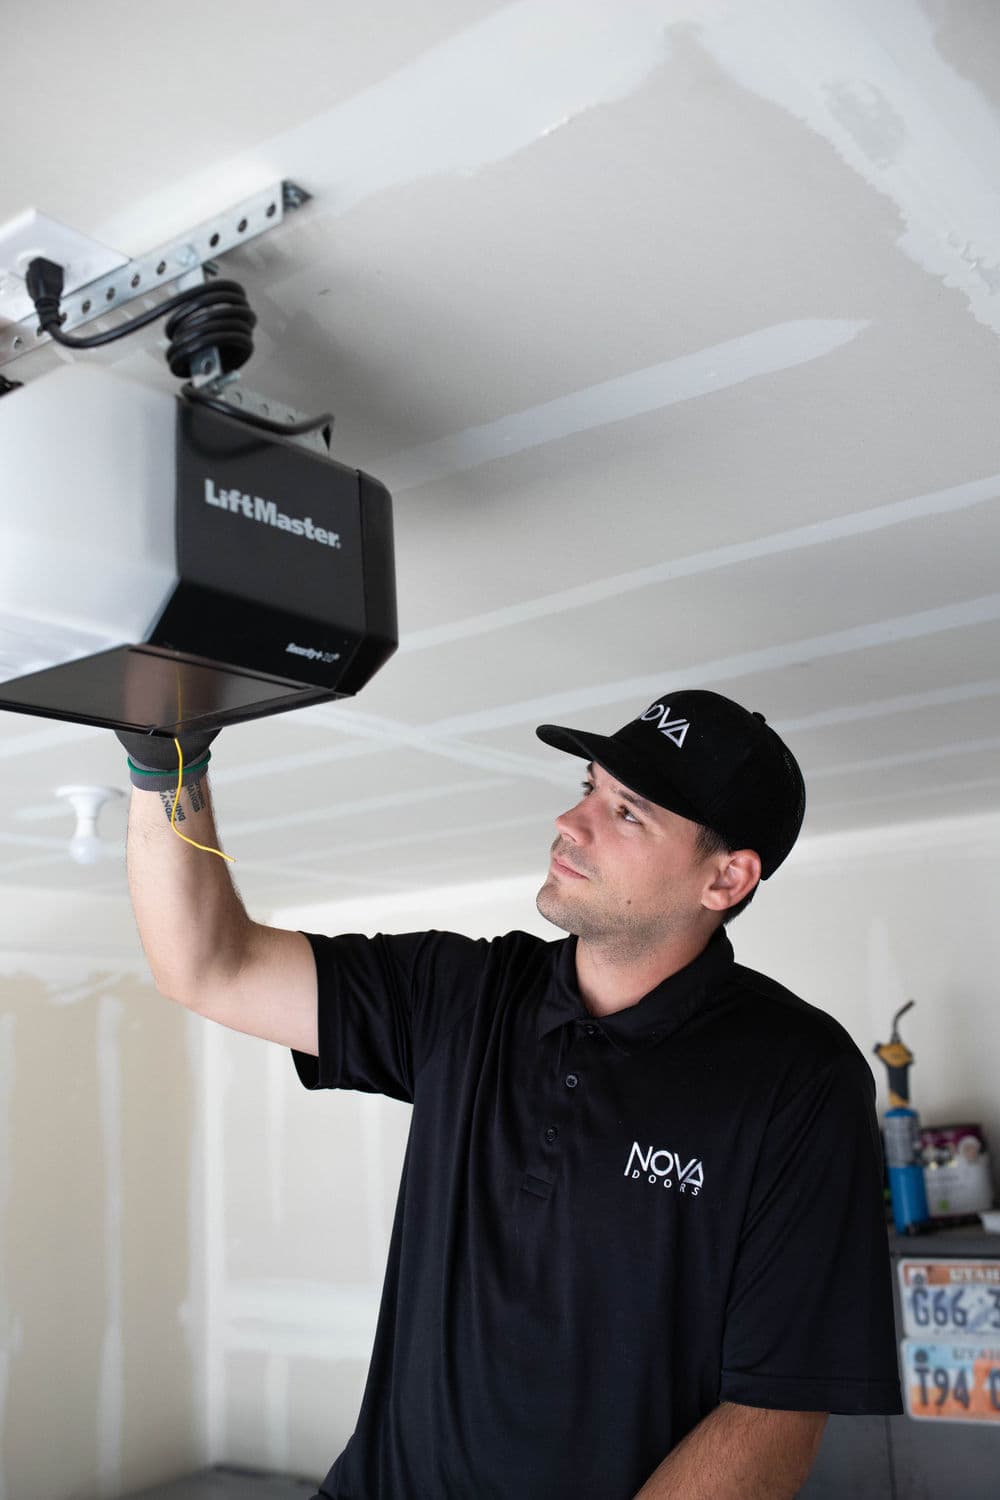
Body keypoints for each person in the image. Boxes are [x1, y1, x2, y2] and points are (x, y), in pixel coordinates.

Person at [118, 687, 903, 1500]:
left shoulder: (799, 1077)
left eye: (628, 813)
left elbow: (773, 1415)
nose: (572, 822)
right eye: (590, 787)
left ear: (725, 878)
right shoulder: (463, 993)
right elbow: (208, 966)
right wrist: (165, 760)